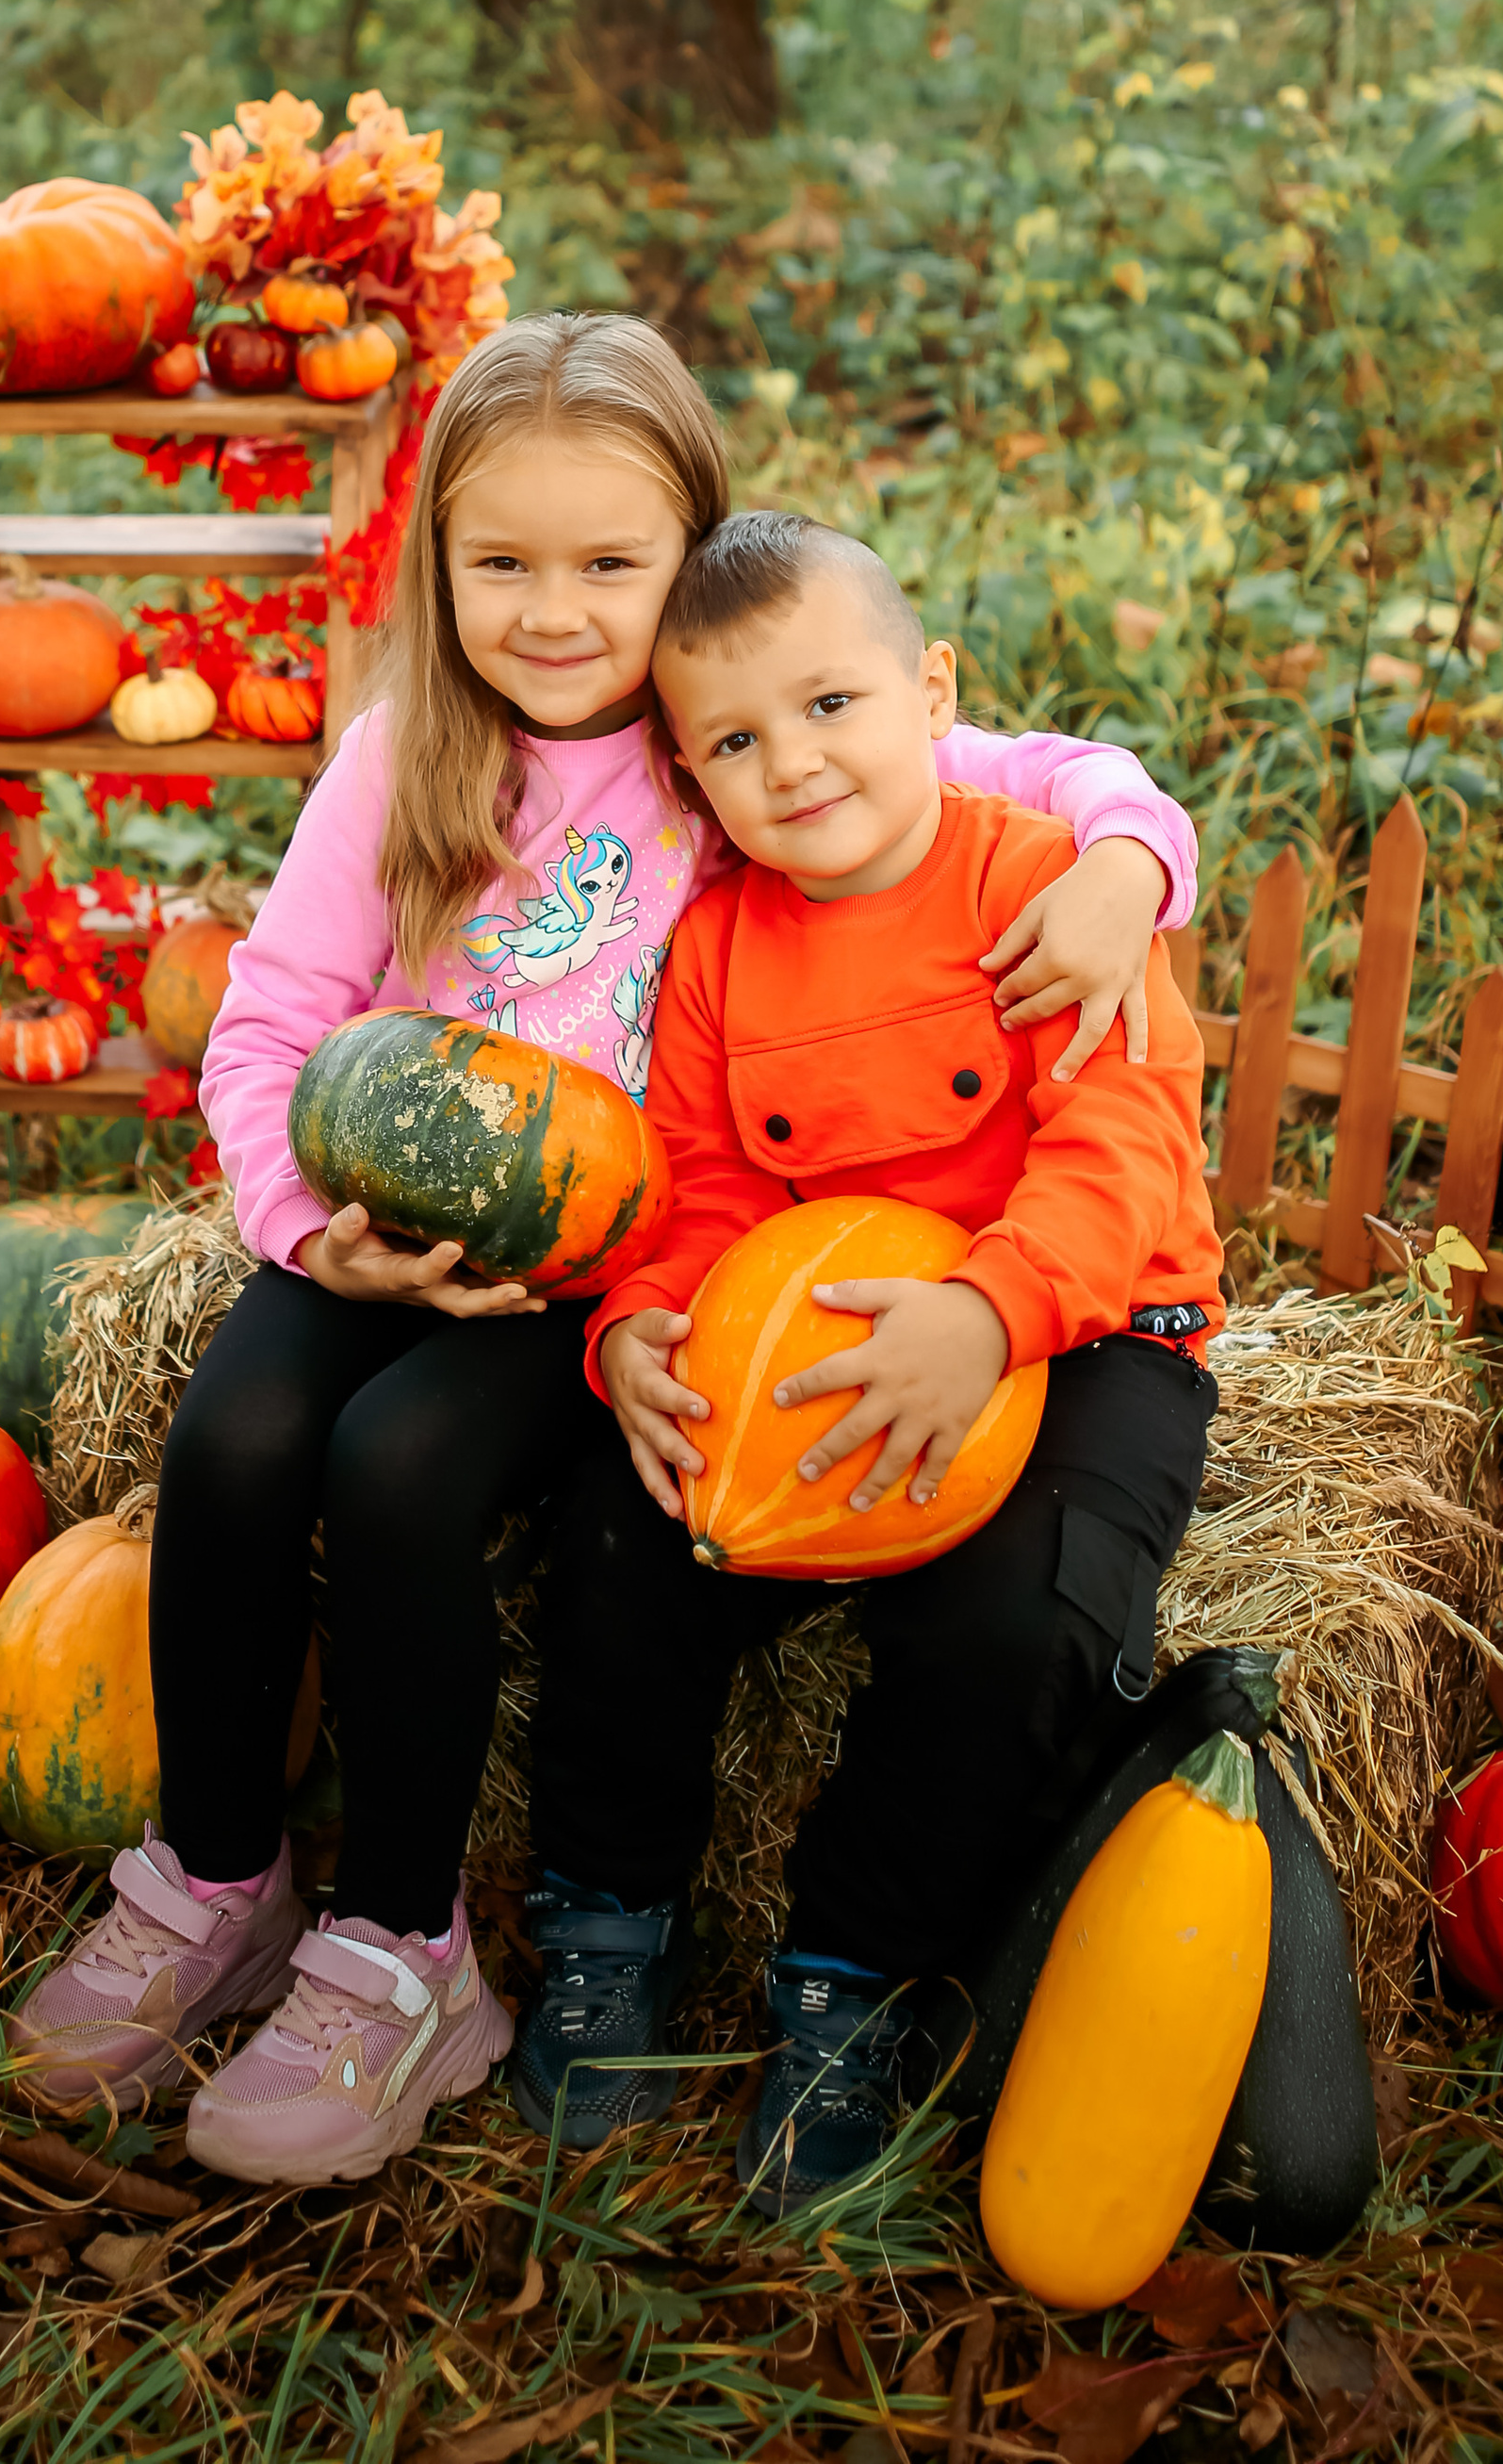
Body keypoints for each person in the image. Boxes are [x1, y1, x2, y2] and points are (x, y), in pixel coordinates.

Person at [9, 320, 1201, 2188]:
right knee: (236, 1436)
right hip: (397, 1224)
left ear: (691, 567)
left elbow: (1031, 773)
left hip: (613, 1252)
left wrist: (1132, 861)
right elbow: (262, 1028)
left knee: (407, 1469)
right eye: (501, 565)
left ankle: (413, 1949)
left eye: (607, 567)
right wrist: (319, 1234)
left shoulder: (737, 730)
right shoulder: (408, 758)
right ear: (436, 568)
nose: (553, 613)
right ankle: (216, 1874)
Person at [511, 505, 1224, 2218]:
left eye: (832, 706)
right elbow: (687, 1190)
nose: (796, 765)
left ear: (933, 688)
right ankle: (608, 1924)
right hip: (820, 1327)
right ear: (691, 773)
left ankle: (848, 1981)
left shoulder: (1046, 895)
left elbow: (1120, 1149)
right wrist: (637, 1341)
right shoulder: (722, 950)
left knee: (1013, 1625)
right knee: (626, 1544)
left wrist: (986, 1316)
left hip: (1090, 1324)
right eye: (738, 742)